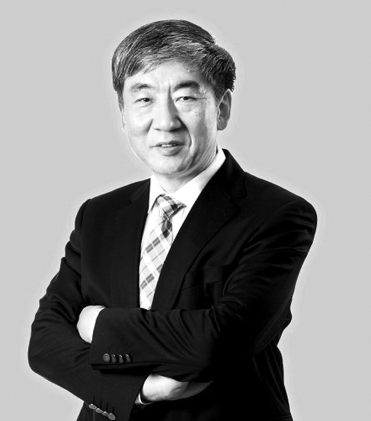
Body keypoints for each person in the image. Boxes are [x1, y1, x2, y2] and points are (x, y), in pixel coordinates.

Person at [28, 19, 317, 421]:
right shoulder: (99, 215)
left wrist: (100, 324)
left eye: (185, 97)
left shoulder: (278, 214)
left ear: (222, 108)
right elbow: (45, 343)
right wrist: (140, 390)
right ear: (123, 113)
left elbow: (219, 341)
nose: (165, 121)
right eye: (144, 99)